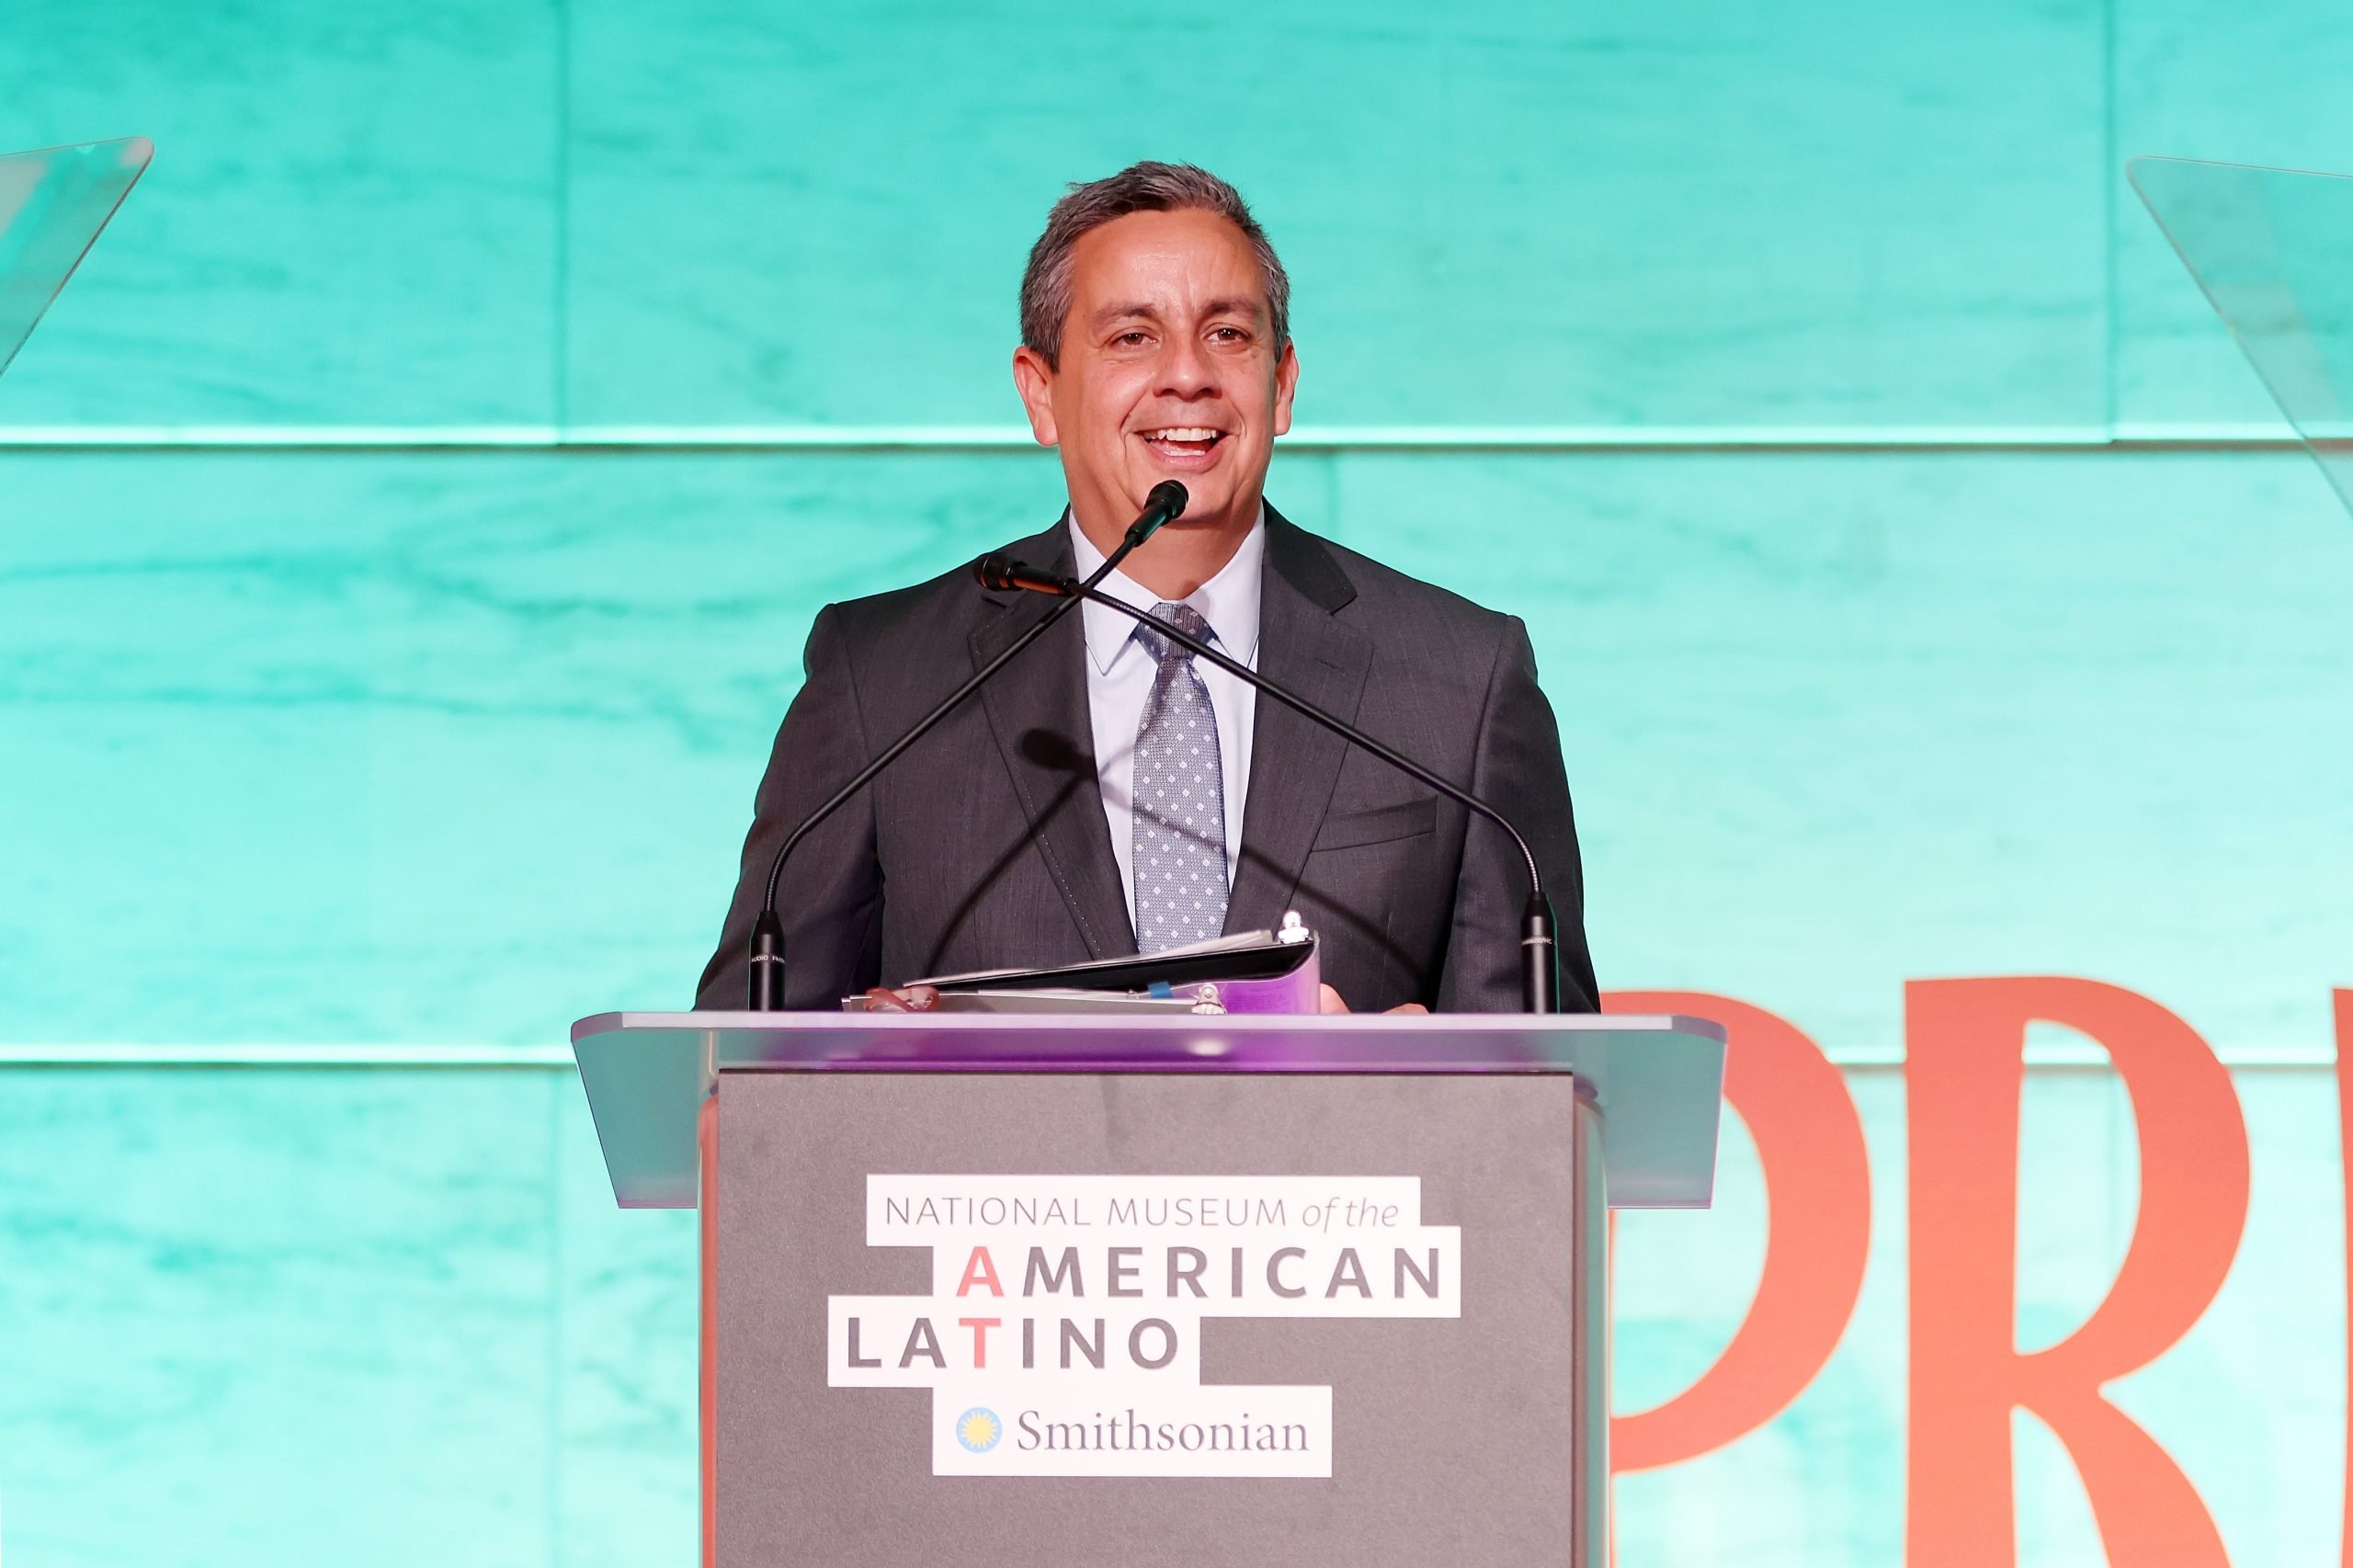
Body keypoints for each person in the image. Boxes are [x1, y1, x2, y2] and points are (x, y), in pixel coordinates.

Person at [695, 162, 1596, 1014]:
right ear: (1039, 393)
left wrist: (1420, 1075)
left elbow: (1553, 1094)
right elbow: (743, 1068)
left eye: (1228, 334)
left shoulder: (1459, 679)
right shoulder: (885, 679)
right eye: (1133, 336)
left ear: (1281, 384)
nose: (1188, 375)